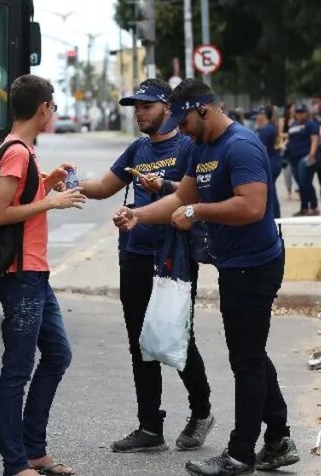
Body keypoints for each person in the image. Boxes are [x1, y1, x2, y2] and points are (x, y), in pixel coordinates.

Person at [115, 79, 298, 476]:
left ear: (205, 110)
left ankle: (240, 455)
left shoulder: (241, 146)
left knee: (245, 360)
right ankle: (279, 439)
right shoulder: (201, 148)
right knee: (251, 353)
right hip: (233, 263)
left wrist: (200, 214)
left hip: (256, 263)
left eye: (184, 120)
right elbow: (182, 196)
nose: (179, 129)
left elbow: (252, 206)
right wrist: (139, 215)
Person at [78, 78, 215, 454]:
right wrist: (65, 183)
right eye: (135, 107)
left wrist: (166, 186)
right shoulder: (137, 148)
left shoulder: (188, 145)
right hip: (135, 254)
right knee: (141, 341)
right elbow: (105, 186)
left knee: (175, 334)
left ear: (167, 108)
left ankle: (201, 411)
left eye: (146, 106)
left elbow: (198, 192)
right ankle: (149, 425)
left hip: (173, 253)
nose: (140, 113)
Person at [0, 74, 87, 475]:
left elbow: (19, 199)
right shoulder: (16, 152)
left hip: (35, 272)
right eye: (54, 107)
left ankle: (34, 450)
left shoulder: (24, 152)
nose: (54, 113)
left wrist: (47, 184)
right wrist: (54, 203)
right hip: (20, 274)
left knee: (58, 353)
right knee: (17, 368)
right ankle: (15, 463)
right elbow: (0, 214)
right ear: (44, 108)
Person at [286, 104, 319, 216]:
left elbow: (315, 139)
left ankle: (314, 206)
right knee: (300, 183)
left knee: (305, 182)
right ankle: (304, 207)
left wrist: (312, 153)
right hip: (293, 157)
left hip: (305, 157)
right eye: (298, 112)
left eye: (302, 112)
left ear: (306, 112)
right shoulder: (292, 125)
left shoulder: (311, 124)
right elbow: (289, 139)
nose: (300, 114)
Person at [254, 106, 283, 219]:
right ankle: (275, 216)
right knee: (272, 191)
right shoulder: (271, 127)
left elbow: (262, 151)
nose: (256, 117)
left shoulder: (265, 130)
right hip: (275, 161)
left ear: (263, 115)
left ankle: (275, 217)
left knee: (270, 193)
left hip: (270, 163)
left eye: (258, 115)